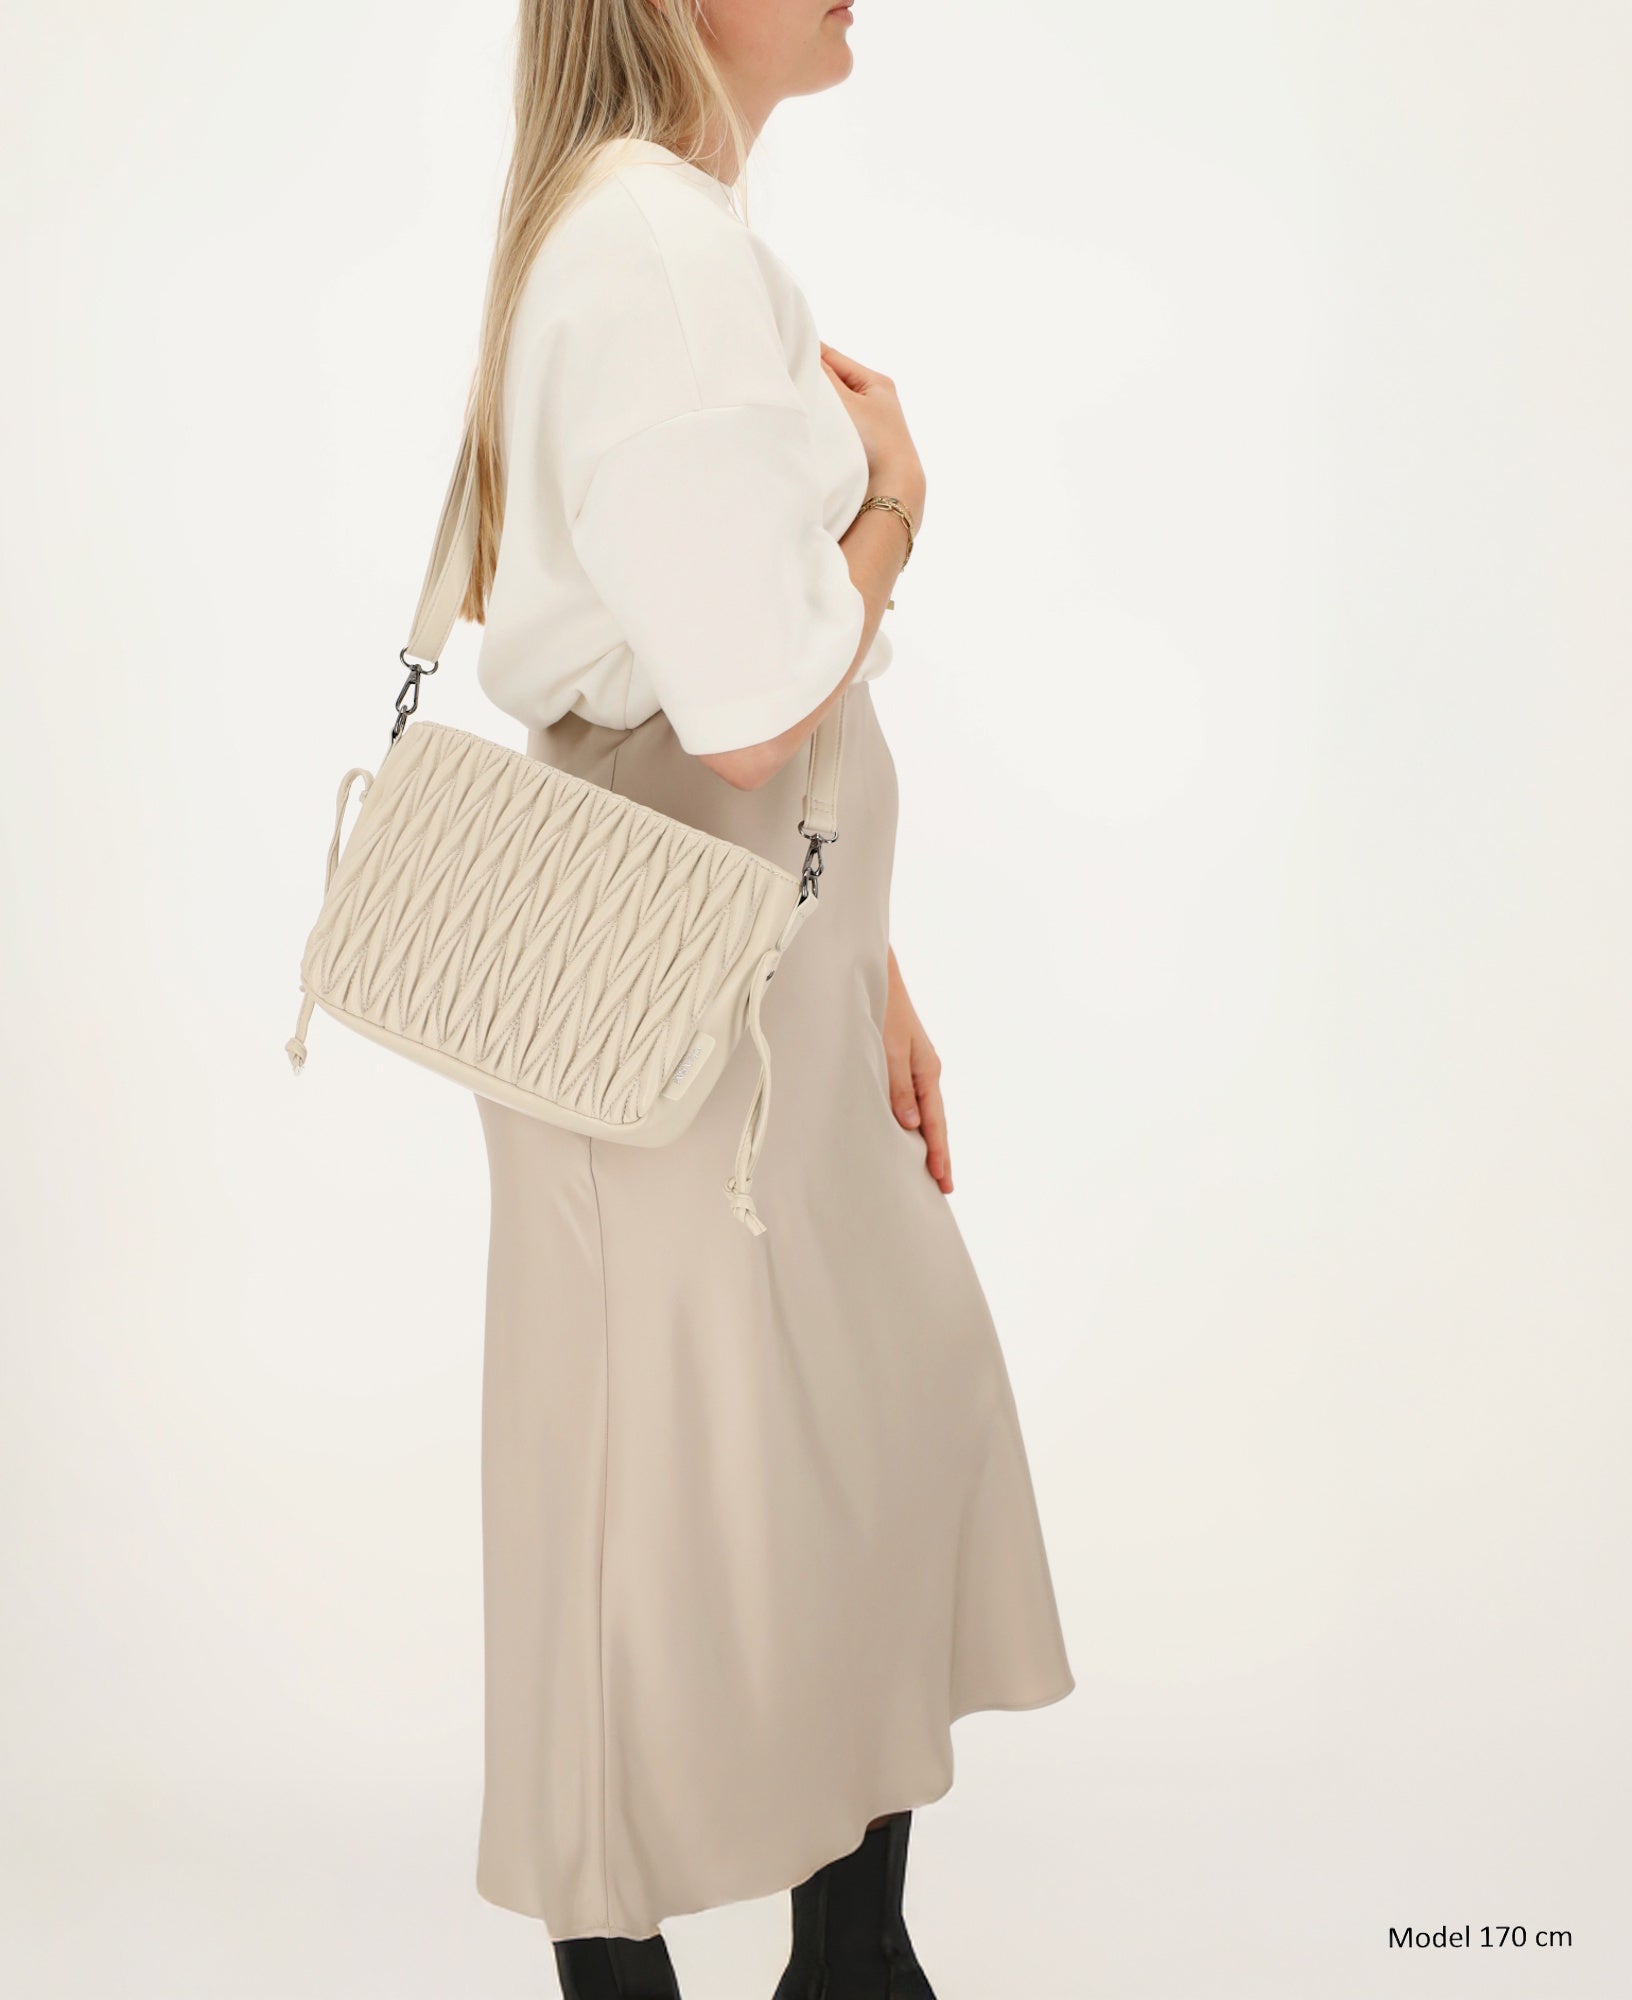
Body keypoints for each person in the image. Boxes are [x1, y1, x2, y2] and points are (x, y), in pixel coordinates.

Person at [455, 5, 1075, 1994]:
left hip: (755, 959)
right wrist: (894, 499)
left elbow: (716, 662)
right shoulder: (655, 253)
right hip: (670, 968)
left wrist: (865, 966)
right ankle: (737, 1970)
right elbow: (745, 714)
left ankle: (851, 1957)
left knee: (847, 1426)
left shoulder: (661, 231)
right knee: (648, 1495)